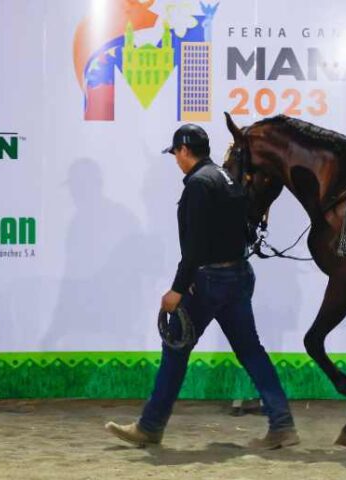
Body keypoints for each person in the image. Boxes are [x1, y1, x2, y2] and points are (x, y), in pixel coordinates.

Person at [105, 124, 298, 449]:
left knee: (176, 348)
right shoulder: (227, 178)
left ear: (183, 150)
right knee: (251, 351)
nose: (176, 160)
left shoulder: (197, 185)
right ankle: (282, 424)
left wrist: (177, 290)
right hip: (238, 275)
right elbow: (248, 229)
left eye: (175, 154)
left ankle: (150, 426)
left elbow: (193, 248)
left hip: (209, 281)